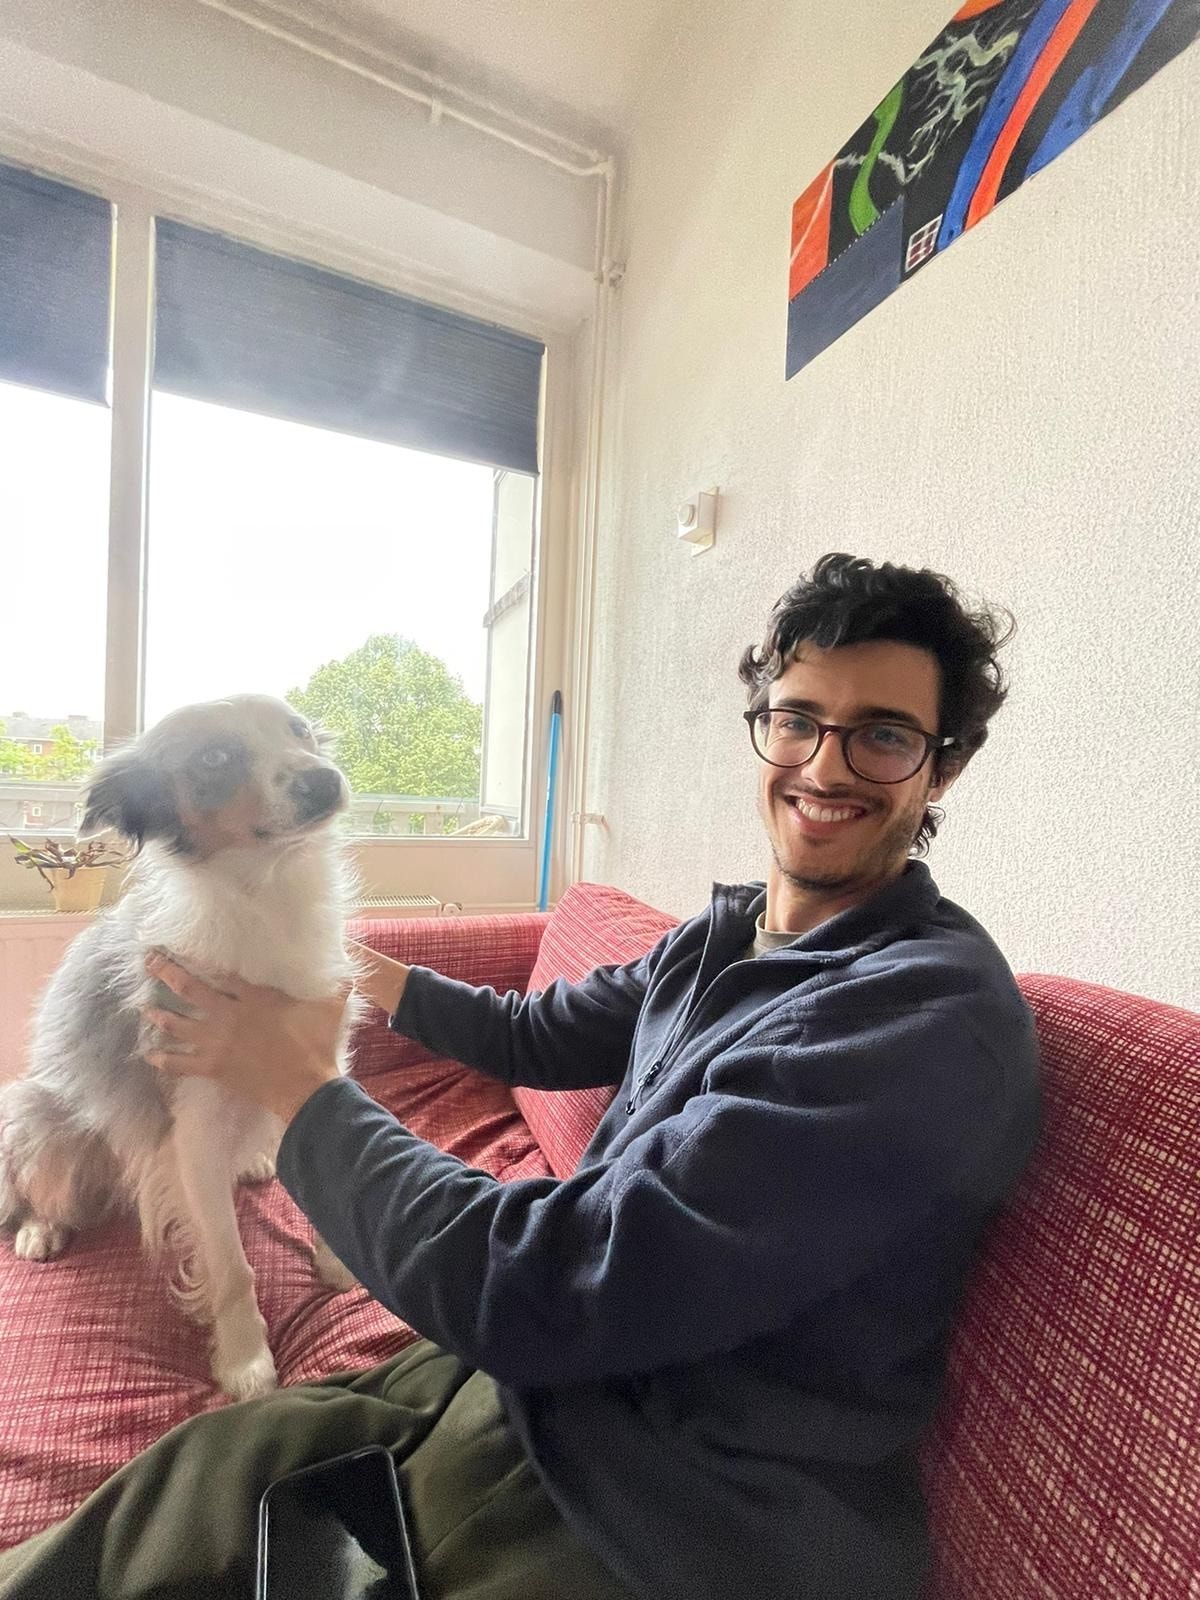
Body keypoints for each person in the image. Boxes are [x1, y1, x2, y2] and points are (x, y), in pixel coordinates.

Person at [0, 553, 1041, 1600]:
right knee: (148, 1511)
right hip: (524, 1389)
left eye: (884, 736)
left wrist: (302, 1088)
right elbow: (535, 1036)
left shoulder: (923, 1018)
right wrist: (312, 971)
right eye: (798, 719)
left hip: (669, 1513)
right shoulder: (725, 939)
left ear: (944, 767)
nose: (824, 766)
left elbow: (561, 1286)